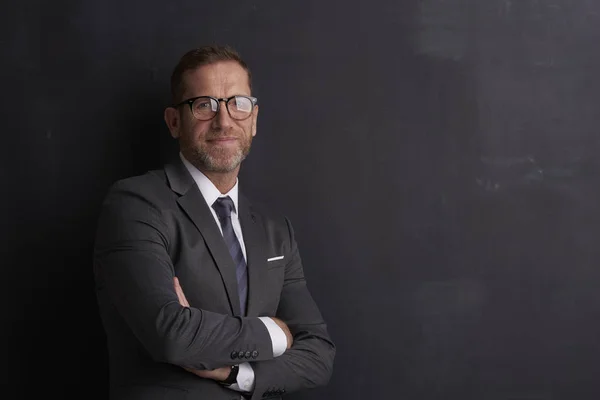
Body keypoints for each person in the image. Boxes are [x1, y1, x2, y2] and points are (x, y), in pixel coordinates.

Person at [93, 45, 336, 399]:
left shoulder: (274, 230)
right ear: (175, 122)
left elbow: (319, 355)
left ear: (253, 119)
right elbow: (172, 335)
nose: (224, 121)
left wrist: (237, 373)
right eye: (204, 105)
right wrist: (277, 333)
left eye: (238, 103)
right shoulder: (135, 205)